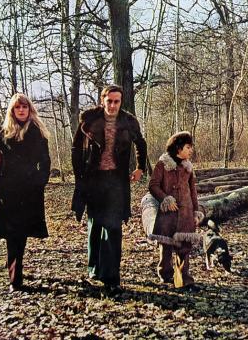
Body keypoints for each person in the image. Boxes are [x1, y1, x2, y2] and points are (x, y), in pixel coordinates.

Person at [71, 85, 148, 296]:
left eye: (117, 101)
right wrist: (79, 175)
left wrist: (140, 167)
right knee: (95, 224)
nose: (113, 105)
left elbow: (141, 143)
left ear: (121, 102)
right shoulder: (89, 120)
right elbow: (76, 149)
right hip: (94, 180)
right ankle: (95, 268)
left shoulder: (128, 121)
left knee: (113, 227)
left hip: (117, 180)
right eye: (109, 101)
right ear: (102, 100)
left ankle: (111, 277)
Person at [0, 93, 51, 293]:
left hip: (29, 190)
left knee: (22, 233)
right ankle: (15, 279)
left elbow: (45, 161)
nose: (21, 110)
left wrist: (39, 182)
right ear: (13, 110)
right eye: (18, 107)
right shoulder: (3, 132)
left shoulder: (37, 132)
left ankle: (16, 270)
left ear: (29, 109)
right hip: (8, 191)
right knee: (12, 234)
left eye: (24, 107)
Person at [148, 131, 202, 291]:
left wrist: (196, 212)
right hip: (168, 215)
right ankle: (166, 276)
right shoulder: (162, 165)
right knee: (166, 247)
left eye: (191, 147)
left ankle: (184, 280)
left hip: (186, 213)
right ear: (178, 148)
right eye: (188, 147)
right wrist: (165, 199)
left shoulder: (188, 168)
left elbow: (193, 192)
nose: (191, 150)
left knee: (185, 247)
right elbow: (153, 185)